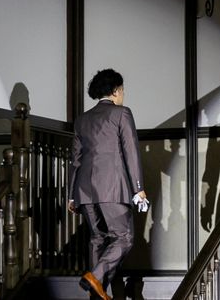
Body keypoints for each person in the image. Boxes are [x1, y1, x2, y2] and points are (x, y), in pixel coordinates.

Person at [68, 69, 148, 300]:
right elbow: (131, 151)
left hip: (84, 189)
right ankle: (95, 276)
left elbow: (75, 160)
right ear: (115, 91)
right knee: (124, 237)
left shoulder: (82, 120)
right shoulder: (122, 114)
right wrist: (138, 188)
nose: (123, 94)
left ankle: (96, 295)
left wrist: (71, 195)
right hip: (112, 188)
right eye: (122, 90)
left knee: (98, 239)